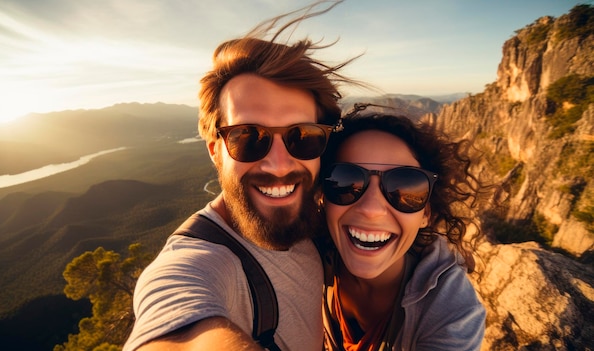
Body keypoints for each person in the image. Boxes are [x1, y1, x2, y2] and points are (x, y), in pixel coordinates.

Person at [123, 2, 360, 351]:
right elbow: (178, 332)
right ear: (214, 149)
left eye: (303, 137)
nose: (280, 164)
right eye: (248, 138)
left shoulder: (316, 218)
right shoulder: (200, 265)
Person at [318, 104, 489, 350]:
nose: (372, 209)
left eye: (406, 188)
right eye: (346, 182)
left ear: (426, 214)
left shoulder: (452, 311)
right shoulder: (301, 256)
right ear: (322, 197)